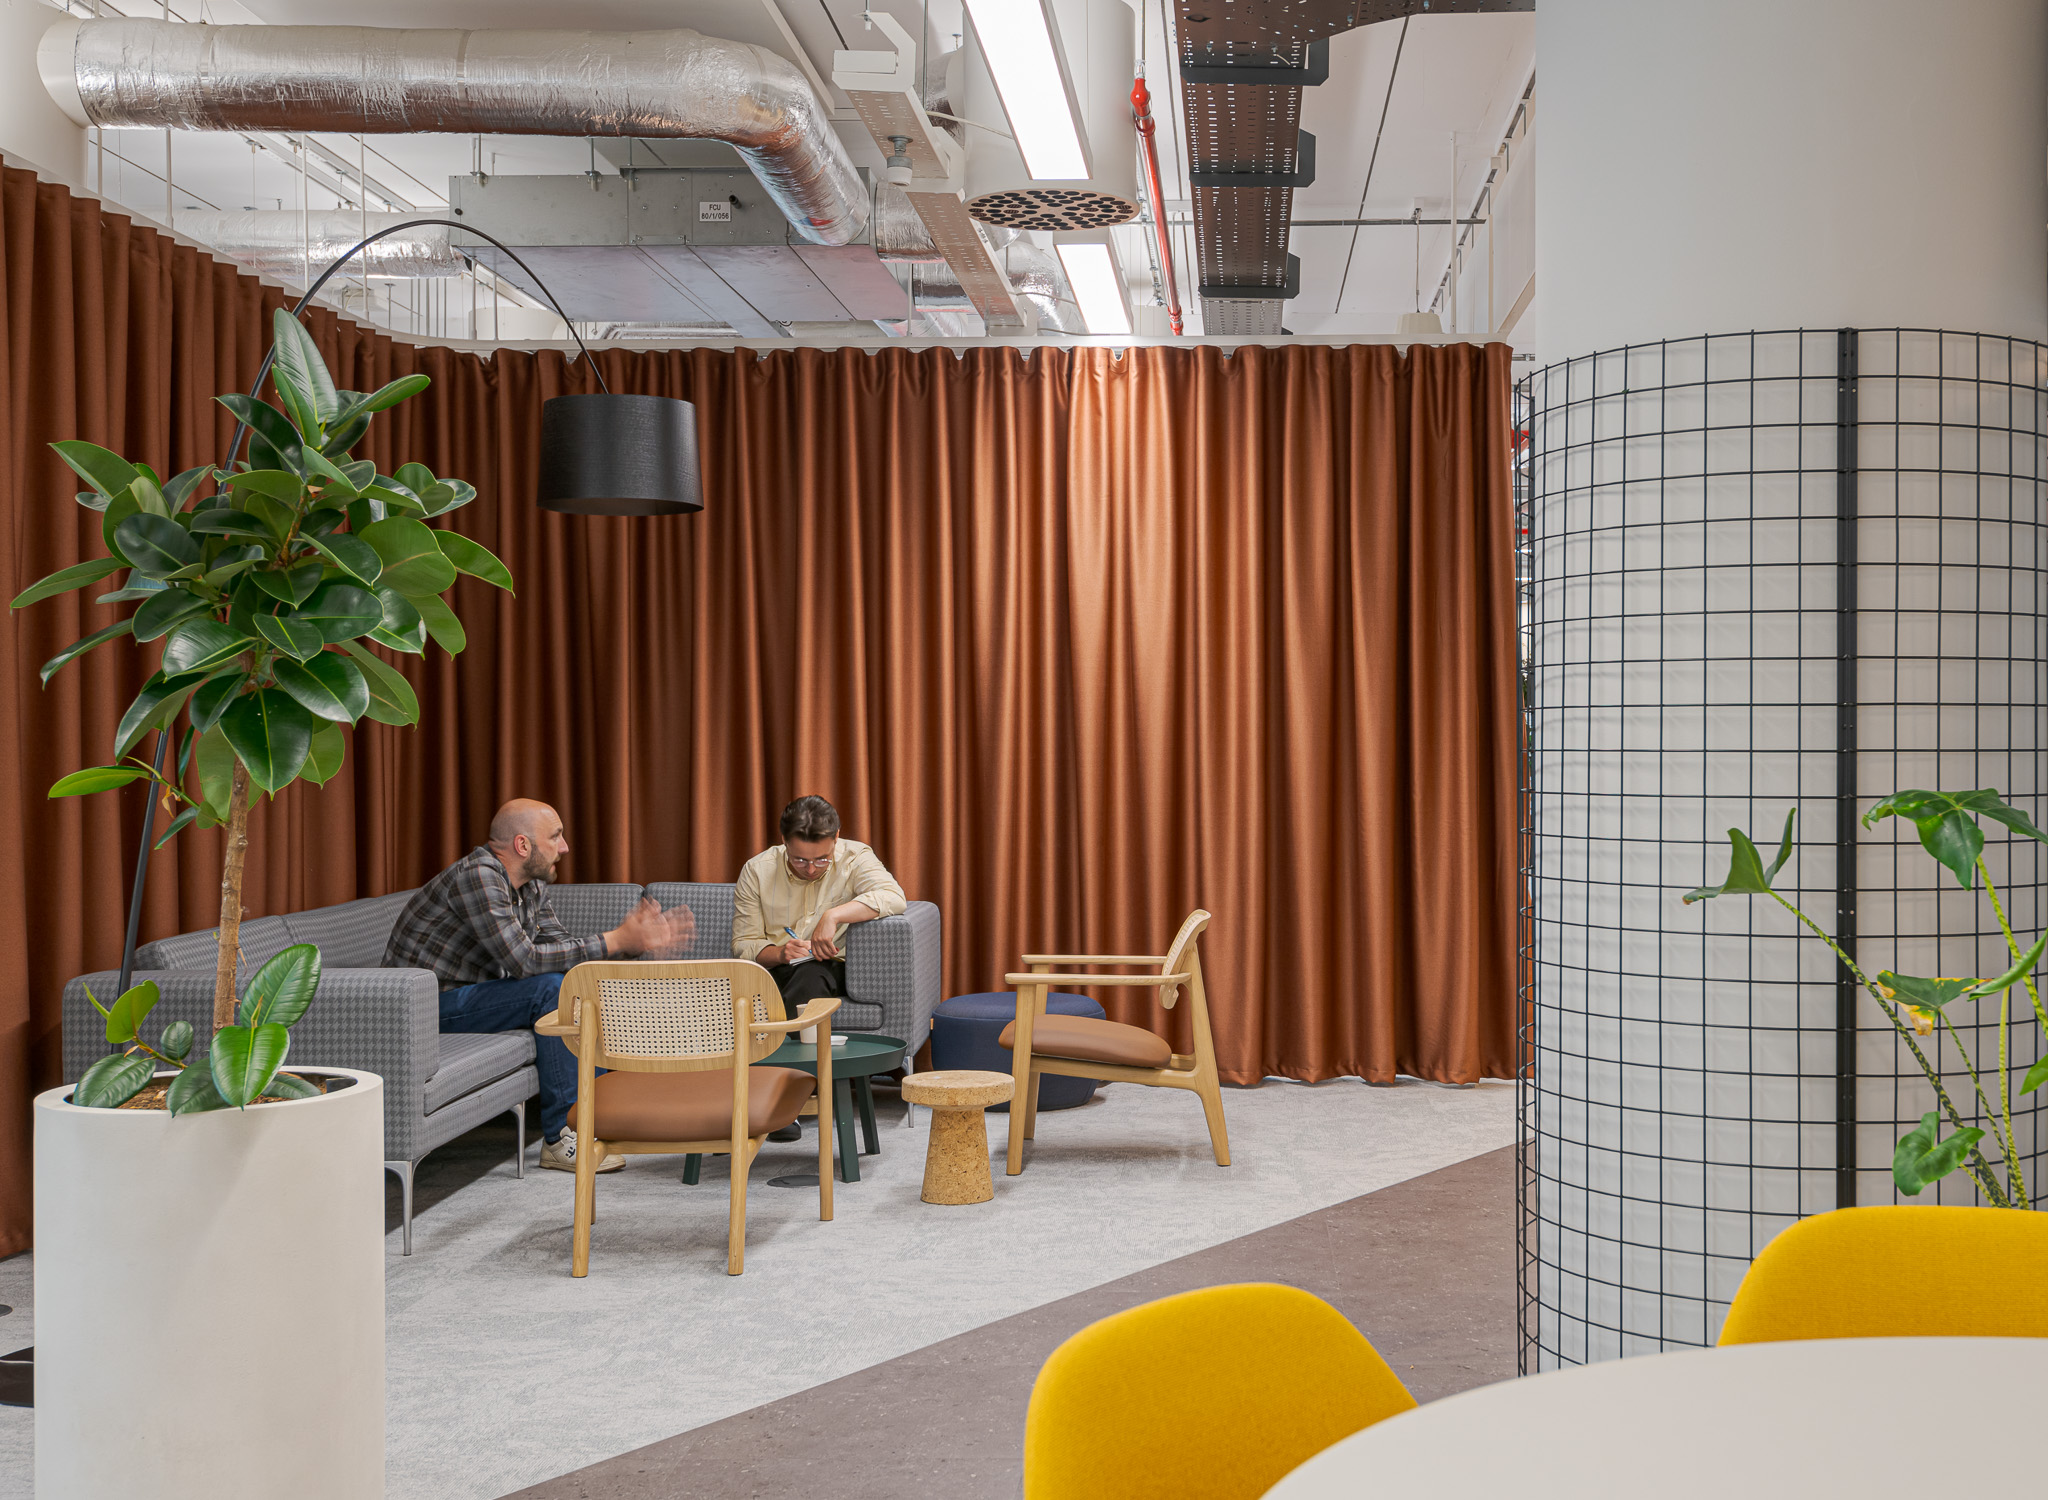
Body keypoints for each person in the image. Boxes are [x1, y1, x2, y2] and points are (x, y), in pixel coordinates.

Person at [383, 798, 694, 1173]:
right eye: (556, 836)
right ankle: (563, 1136)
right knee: (550, 988)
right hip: (427, 1008)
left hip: (475, 997)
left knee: (575, 984)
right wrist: (616, 939)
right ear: (522, 845)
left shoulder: (529, 886)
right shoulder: (479, 876)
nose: (564, 847)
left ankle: (597, 1122)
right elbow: (525, 961)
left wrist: (633, 944)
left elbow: (563, 952)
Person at [733, 796, 906, 1140]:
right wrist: (779, 952)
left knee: (809, 977)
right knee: (764, 984)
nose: (811, 868)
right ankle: (760, 1095)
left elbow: (893, 896)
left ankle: (779, 1103)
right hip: (772, 968)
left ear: (836, 838)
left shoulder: (856, 856)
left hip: (829, 968)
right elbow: (743, 944)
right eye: (800, 859)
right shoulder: (757, 869)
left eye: (821, 859)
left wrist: (835, 915)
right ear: (783, 843)